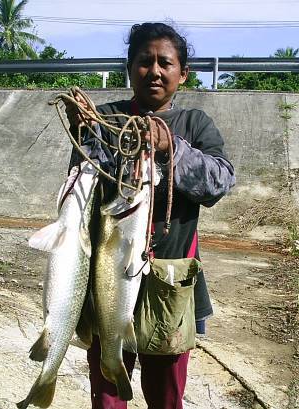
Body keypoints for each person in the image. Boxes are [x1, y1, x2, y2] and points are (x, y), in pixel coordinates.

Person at [65, 22, 235, 409]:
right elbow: (82, 184)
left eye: (165, 63)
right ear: (130, 67)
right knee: (108, 387)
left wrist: (169, 147)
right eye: (145, 61)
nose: (155, 71)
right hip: (109, 275)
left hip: (169, 282)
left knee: (166, 393)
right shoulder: (104, 119)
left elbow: (220, 182)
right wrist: (86, 133)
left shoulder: (195, 124)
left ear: (182, 73)